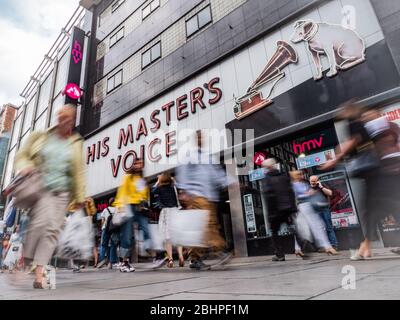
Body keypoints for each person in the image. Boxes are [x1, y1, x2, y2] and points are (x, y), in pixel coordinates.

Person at [14, 104, 85, 288]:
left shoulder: (76, 143)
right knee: (38, 226)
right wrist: (25, 166)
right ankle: (26, 262)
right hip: (42, 188)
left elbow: (78, 172)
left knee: (51, 231)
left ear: (73, 121)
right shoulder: (42, 136)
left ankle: (39, 275)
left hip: (62, 193)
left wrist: (79, 197)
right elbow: (23, 154)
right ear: (57, 118)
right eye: (62, 118)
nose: (65, 122)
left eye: (68, 119)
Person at [321, 104, 400, 260]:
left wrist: (335, 158)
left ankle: (365, 246)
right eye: (366, 115)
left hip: (382, 173)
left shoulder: (365, 125)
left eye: (370, 115)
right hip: (383, 172)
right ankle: (366, 246)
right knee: (380, 208)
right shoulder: (377, 127)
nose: (367, 117)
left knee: (373, 209)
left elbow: (353, 141)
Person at [176, 130, 233, 270]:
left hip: (210, 197)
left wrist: (229, 182)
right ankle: (219, 249)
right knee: (207, 225)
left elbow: (217, 175)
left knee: (202, 228)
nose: (201, 139)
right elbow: (182, 173)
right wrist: (183, 191)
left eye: (203, 137)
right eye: (199, 137)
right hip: (196, 196)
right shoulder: (190, 156)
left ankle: (195, 259)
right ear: (196, 139)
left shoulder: (209, 157)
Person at [113, 158, 151, 273]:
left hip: (139, 208)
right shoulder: (127, 177)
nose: (139, 165)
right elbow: (122, 193)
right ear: (133, 165)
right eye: (136, 163)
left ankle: (151, 252)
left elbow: (144, 194)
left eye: (141, 163)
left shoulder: (142, 180)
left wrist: (143, 201)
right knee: (127, 236)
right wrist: (120, 207)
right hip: (128, 206)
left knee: (146, 229)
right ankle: (124, 262)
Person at [290, 171, 338, 256]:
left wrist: (316, 189)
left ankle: (298, 249)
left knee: (307, 228)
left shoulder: (303, 184)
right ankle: (327, 247)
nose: (301, 176)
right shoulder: (296, 185)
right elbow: (298, 196)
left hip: (308, 207)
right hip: (304, 207)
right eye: (299, 174)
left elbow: (330, 193)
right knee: (316, 227)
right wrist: (309, 193)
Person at [261, 159, 297, 261]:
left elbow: (269, 197)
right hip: (287, 209)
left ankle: (280, 254)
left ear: (267, 168)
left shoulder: (267, 179)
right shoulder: (284, 176)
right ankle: (304, 246)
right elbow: (291, 192)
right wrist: (293, 207)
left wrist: (269, 215)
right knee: (293, 228)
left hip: (275, 211)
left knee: (275, 233)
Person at [152, 173, 184, 268]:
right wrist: (174, 181)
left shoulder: (159, 189)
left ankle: (170, 259)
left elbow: (152, 190)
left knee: (167, 237)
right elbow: (180, 188)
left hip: (166, 212)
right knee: (178, 235)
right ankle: (181, 256)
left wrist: (158, 182)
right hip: (175, 211)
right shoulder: (173, 187)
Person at [309, 175, 338, 249]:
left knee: (328, 227)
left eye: (314, 181)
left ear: (318, 180)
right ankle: (324, 246)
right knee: (319, 229)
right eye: (311, 181)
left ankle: (334, 245)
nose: (313, 183)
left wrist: (321, 187)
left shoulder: (322, 186)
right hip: (315, 211)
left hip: (324, 209)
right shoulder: (308, 188)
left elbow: (330, 193)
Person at [97, 198, 118, 269]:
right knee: (113, 245)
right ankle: (112, 262)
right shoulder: (116, 209)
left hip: (105, 229)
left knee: (103, 245)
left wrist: (102, 227)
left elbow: (102, 221)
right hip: (114, 229)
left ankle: (102, 260)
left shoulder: (105, 210)